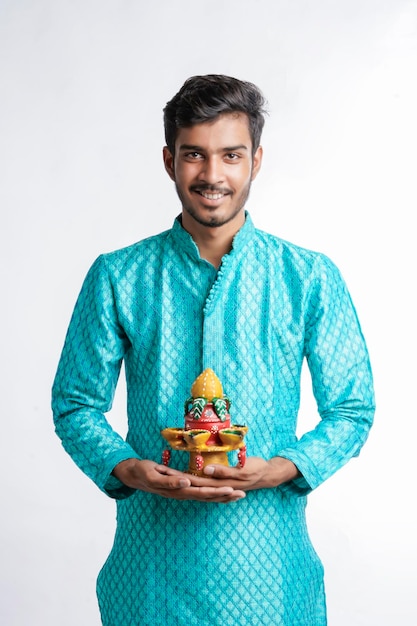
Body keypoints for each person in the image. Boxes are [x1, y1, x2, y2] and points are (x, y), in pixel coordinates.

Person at [52, 74, 375, 626]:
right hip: (151, 570)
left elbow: (352, 409)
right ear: (168, 160)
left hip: (273, 574)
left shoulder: (308, 277)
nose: (212, 175)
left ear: (256, 159)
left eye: (231, 155)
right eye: (194, 155)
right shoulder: (119, 276)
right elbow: (76, 404)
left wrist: (282, 468)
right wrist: (127, 468)